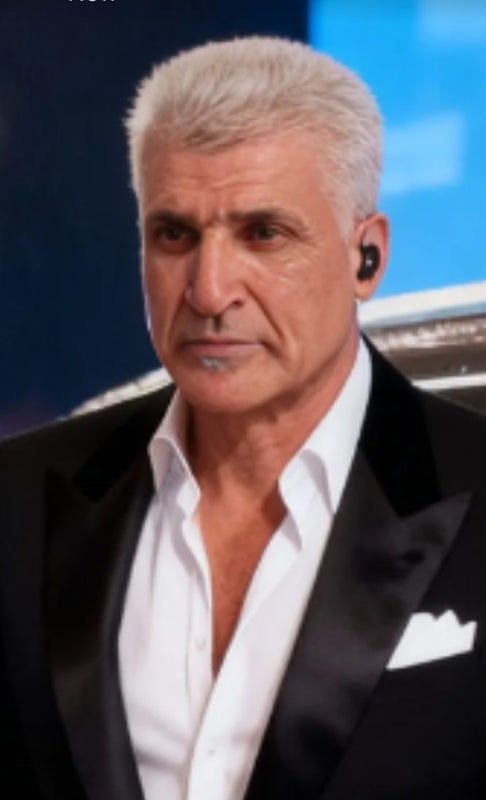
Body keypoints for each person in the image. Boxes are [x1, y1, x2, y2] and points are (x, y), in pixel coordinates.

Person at [1, 36, 485, 800]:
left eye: (263, 233)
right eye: (175, 235)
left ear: (366, 257)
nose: (208, 289)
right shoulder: (16, 500)